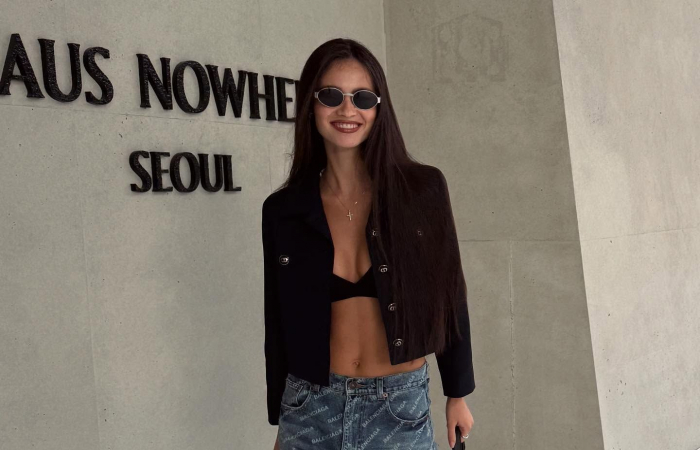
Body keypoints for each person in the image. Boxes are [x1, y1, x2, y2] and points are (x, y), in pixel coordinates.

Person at [262, 38, 475, 450]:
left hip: (398, 407)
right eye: (331, 96)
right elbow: (278, 321)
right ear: (310, 104)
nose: (347, 110)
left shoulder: (422, 190)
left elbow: (450, 298)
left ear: (379, 108)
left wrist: (457, 394)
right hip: (309, 409)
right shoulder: (282, 209)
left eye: (362, 97)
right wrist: (281, 422)